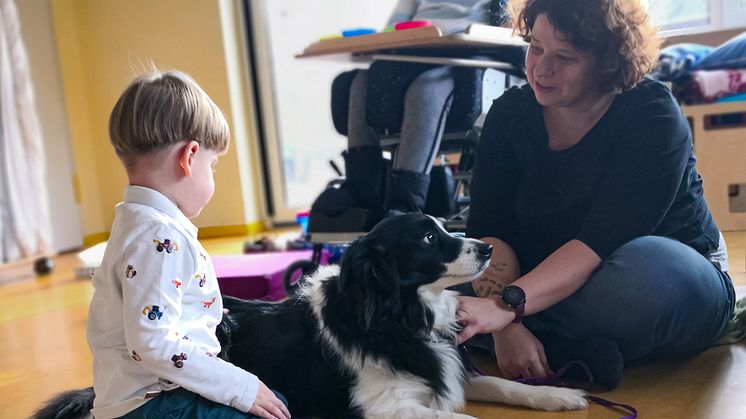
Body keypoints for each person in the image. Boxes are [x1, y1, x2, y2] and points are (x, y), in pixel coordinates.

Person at [455, 0, 736, 390]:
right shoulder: (508, 116)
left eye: (564, 57)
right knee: (427, 276)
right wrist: (506, 325)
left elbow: (598, 242)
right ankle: (564, 350)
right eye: (535, 47)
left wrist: (505, 309)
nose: (541, 68)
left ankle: (495, 335)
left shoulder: (652, 114)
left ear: (608, 62)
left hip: (646, 273)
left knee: (653, 277)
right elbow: (489, 232)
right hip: (540, 283)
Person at [87, 70, 291, 419]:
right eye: (213, 165)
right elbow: (152, 343)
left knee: (278, 401)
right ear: (189, 157)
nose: (213, 175)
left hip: (147, 396)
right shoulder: (158, 237)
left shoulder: (137, 222)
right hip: (153, 404)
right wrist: (240, 385)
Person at [310, 0, 507, 226]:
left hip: (469, 58)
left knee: (426, 88)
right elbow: (393, 29)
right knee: (360, 83)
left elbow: (512, 27)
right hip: (417, 54)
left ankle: (405, 204)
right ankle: (361, 194)